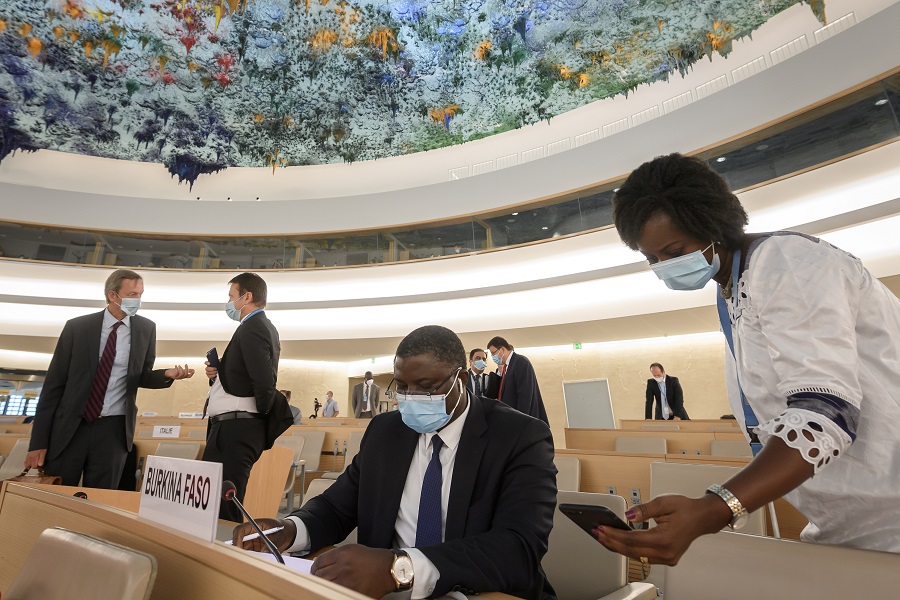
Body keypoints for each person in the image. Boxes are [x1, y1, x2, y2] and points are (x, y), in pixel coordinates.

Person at [597, 152, 900, 562]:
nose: (665, 267)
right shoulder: (733, 289)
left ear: (712, 226)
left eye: (674, 251)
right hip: (849, 523)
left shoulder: (785, 262)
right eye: (652, 259)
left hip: (890, 517)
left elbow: (827, 412)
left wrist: (714, 508)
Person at [232, 325, 558, 599]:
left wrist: (399, 567)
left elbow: (519, 548)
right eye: (402, 387)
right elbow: (337, 506)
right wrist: (291, 529)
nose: (411, 397)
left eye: (426, 387)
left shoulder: (521, 436)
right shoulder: (385, 432)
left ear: (460, 379)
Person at [25, 269, 194, 488]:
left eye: (140, 294)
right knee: (58, 494)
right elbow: (53, 386)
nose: (138, 300)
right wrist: (37, 442)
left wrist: (165, 375)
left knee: (102, 496)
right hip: (71, 427)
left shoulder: (146, 329)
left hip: (114, 430)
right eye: (132, 294)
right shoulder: (78, 327)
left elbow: (141, 375)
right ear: (112, 295)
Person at [202, 273, 293, 522]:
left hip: (238, 429)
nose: (229, 302)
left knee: (226, 507)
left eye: (232, 296)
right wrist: (220, 373)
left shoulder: (254, 327)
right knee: (214, 504)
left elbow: (263, 381)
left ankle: (227, 547)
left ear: (247, 297)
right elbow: (247, 374)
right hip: (232, 427)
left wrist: (257, 418)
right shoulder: (253, 327)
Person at [486, 336, 549, 425]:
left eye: (493, 353)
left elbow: (525, 396)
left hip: (525, 421)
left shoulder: (520, 362)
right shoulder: (507, 367)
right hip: (512, 418)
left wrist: (519, 421)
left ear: (502, 349)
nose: (493, 357)